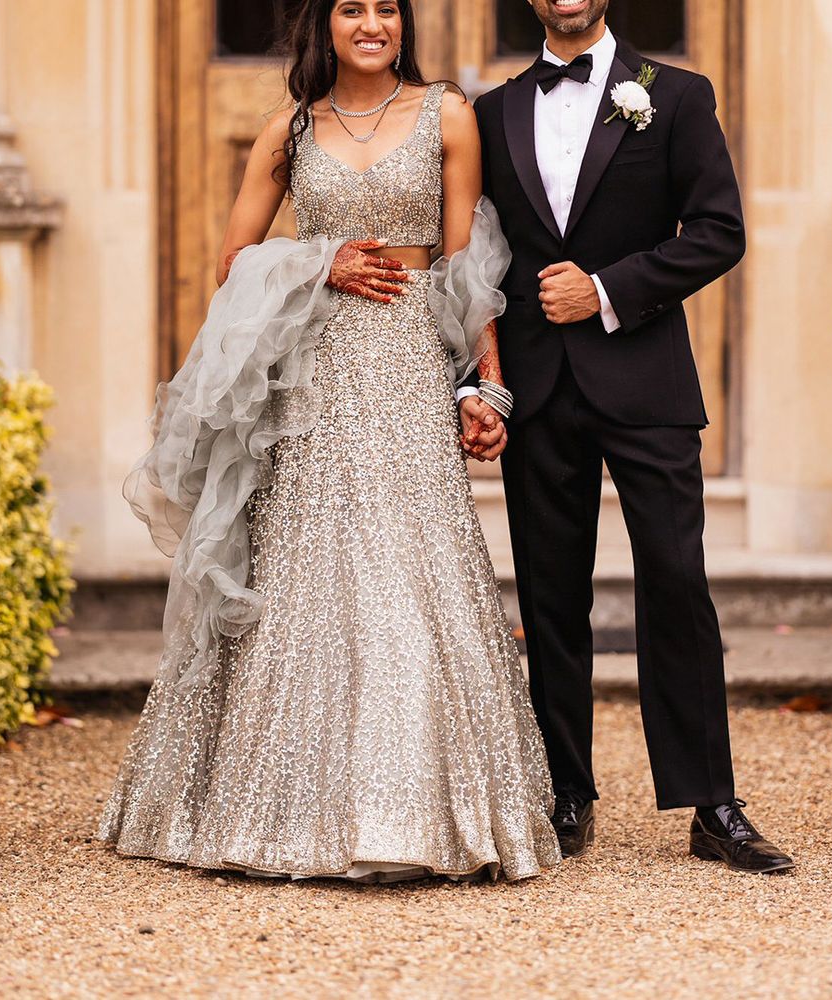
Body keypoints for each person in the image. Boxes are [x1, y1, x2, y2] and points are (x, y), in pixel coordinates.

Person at [97, 0, 561, 883]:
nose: (373, 23)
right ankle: (281, 811)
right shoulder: (290, 127)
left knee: (412, 559)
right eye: (354, 8)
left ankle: (423, 812)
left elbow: (469, 267)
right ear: (328, 24)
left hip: (407, 367)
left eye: (387, 7)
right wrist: (322, 261)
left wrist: (485, 386)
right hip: (311, 374)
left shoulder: (447, 114)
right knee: (304, 564)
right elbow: (234, 258)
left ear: (403, 22)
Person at [468, 0, 794, 874]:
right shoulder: (490, 113)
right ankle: (567, 793)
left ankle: (709, 803)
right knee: (548, 593)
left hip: (645, 379)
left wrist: (608, 291)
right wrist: (482, 381)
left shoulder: (676, 95)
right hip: (538, 388)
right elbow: (475, 259)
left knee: (678, 584)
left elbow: (719, 232)